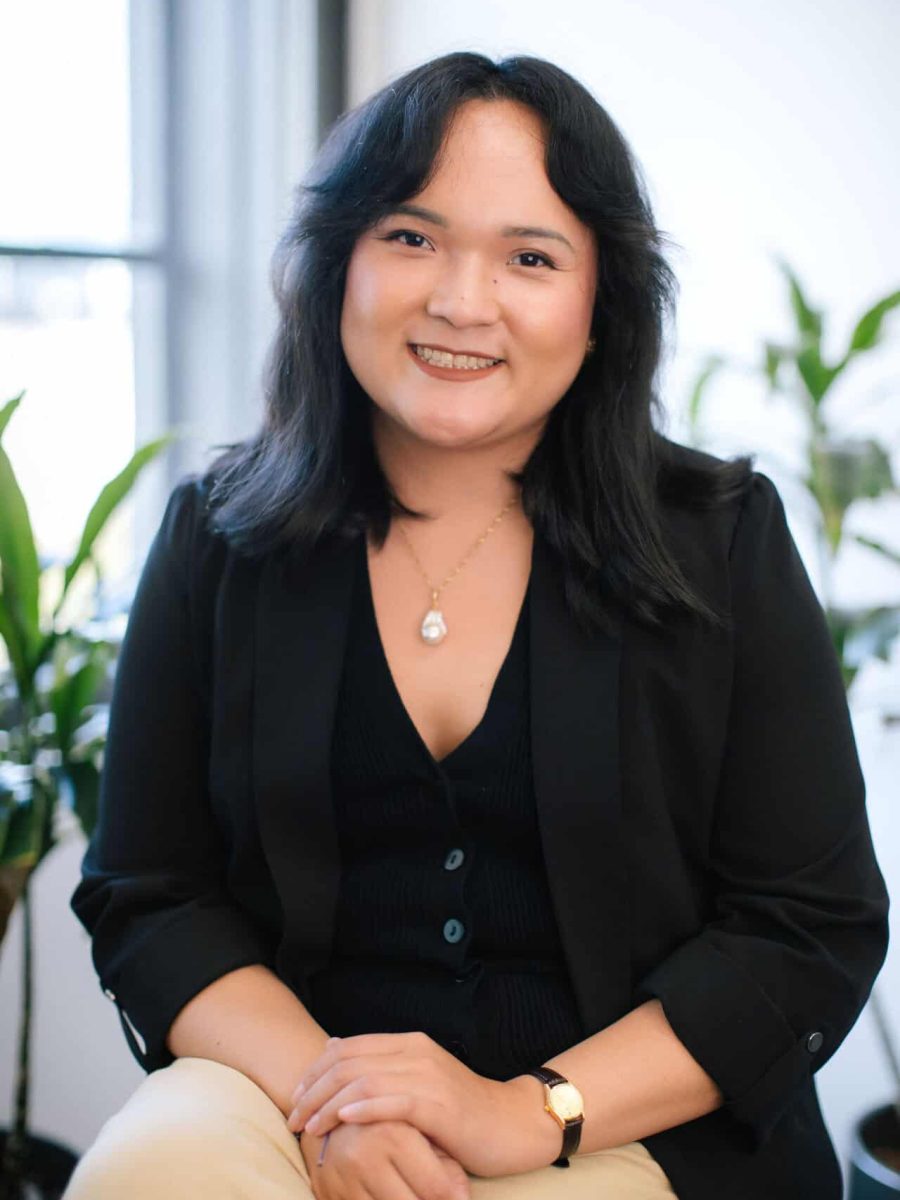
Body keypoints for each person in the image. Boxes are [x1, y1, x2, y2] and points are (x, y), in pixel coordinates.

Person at [64, 51, 888, 1200]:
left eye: (530, 257)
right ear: (337, 264)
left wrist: (524, 1114)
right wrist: (335, 1100)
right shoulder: (218, 536)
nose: (460, 300)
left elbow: (808, 925)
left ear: (600, 305)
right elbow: (151, 892)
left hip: (622, 1121)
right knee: (149, 1172)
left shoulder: (722, 539)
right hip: (296, 1098)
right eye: (411, 236)